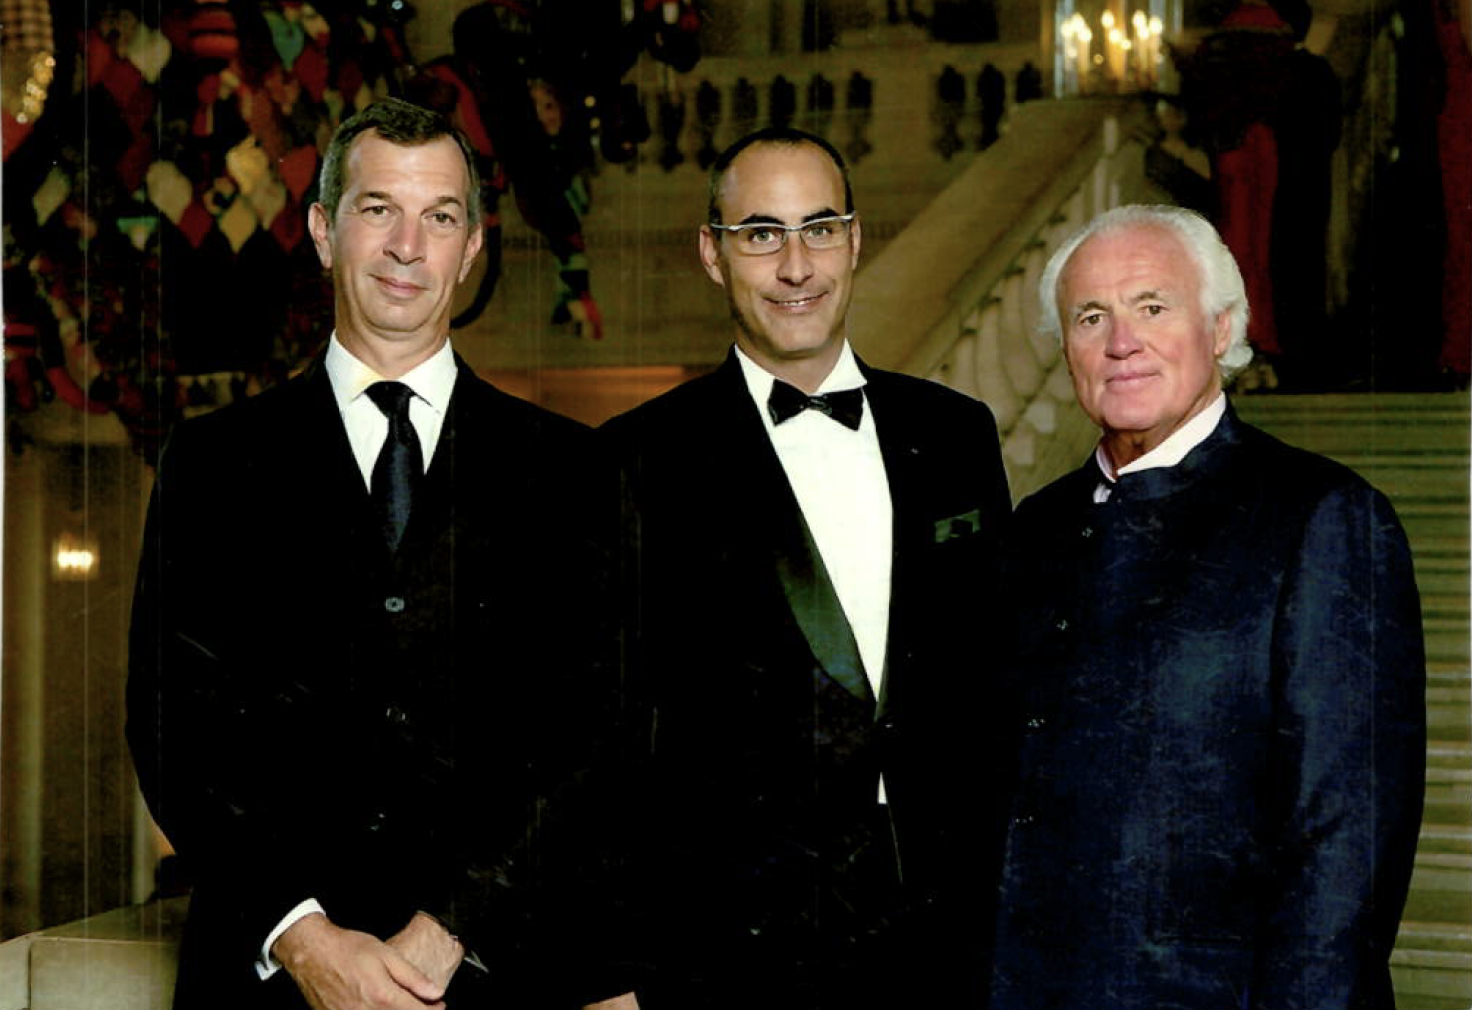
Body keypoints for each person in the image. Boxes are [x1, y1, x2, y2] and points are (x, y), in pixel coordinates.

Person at [127, 98, 636, 1010]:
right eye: (377, 210)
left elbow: (596, 735)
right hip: (273, 984)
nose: (409, 247)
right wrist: (303, 936)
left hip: (499, 976)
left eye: (440, 217)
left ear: (471, 247)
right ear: (324, 232)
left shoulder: (571, 471)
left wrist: (450, 929)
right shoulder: (212, 463)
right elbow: (172, 729)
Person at [601, 127, 1012, 1009]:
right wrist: (609, 975)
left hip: (942, 942)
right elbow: (599, 740)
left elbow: (993, 691)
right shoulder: (634, 462)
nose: (797, 266)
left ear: (856, 240)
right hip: (729, 953)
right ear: (714, 255)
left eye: (820, 228)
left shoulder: (957, 434)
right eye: (761, 234)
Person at [989, 204, 1426, 1009]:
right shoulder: (1033, 529)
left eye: (1153, 306)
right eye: (1092, 317)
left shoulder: (1321, 517)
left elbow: (1347, 843)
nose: (1123, 342)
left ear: (1222, 328)